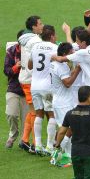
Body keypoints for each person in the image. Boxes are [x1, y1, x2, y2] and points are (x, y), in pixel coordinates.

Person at [28, 25, 58, 154]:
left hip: (35, 86)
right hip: (48, 87)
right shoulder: (54, 48)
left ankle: (38, 145)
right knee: (52, 115)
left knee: (39, 113)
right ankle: (50, 146)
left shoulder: (35, 47)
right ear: (51, 36)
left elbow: (29, 65)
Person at [50, 42, 81, 157]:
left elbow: (66, 77)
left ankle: (66, 152)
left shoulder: (55, 63)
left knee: (66, 127)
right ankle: (58, 151)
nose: (73, 53)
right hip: (63, 103)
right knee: (67, 128)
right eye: (71, 52)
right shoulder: (61, 66)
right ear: (64, 53)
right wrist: (77, 69)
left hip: (60, 100)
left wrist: (74, 70)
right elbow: (67, 83)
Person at [18, 15, 43, 151]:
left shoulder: (26, 37)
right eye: (40, 24)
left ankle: (25, 140)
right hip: (30, 79)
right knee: (35, 112)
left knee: (33, 110)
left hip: (25, 78)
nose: (42, 26)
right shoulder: (34, 40)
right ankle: (34, 144)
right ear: (34, 27)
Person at [4, 29, 28, 148]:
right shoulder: (11, 51)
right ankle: (13, 134)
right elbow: (6, 71)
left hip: (27, 89)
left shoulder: (32, 51)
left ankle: (23, 141)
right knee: (11, 114)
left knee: (26, 120)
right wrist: (15, 67)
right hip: (14, 88)